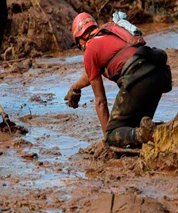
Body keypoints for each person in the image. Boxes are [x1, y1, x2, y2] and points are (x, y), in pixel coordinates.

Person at [65, 13, 172, 147]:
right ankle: (169, 128)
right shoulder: (111, 29)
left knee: (114, 134)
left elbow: (101, 102)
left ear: (80, 38)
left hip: (137, 78)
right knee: (134, 125)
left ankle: (141, 135)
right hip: (158, 74)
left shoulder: (90, 50)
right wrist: (75, 87)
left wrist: (107, 139)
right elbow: (91, 75)